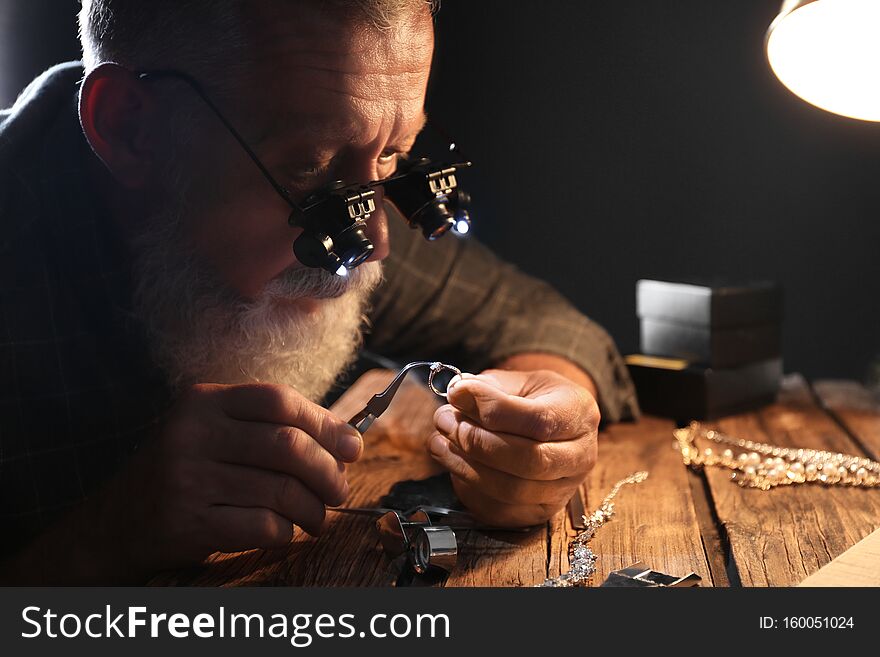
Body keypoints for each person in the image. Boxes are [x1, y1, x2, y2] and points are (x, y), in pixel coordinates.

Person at [0, 0, 637, 583]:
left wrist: (534, 432)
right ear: (130, 127)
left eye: (393, 155)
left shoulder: (331, 199)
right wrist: (101, 541)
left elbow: (536, 319)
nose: (378, 243)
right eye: (310, 170)